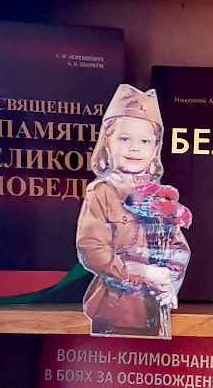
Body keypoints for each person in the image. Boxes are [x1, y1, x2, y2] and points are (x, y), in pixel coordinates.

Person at [76, 84, 190, 340]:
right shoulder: (102, 192)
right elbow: (91, 248)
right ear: (107, 141)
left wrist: (170, 284)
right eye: (124, 139)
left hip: (155, 308)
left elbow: (178, 247)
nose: (134, 148)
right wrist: (141, 272)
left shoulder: (161, 196)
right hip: (116, 309)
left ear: (155, 147)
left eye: (145, 141)